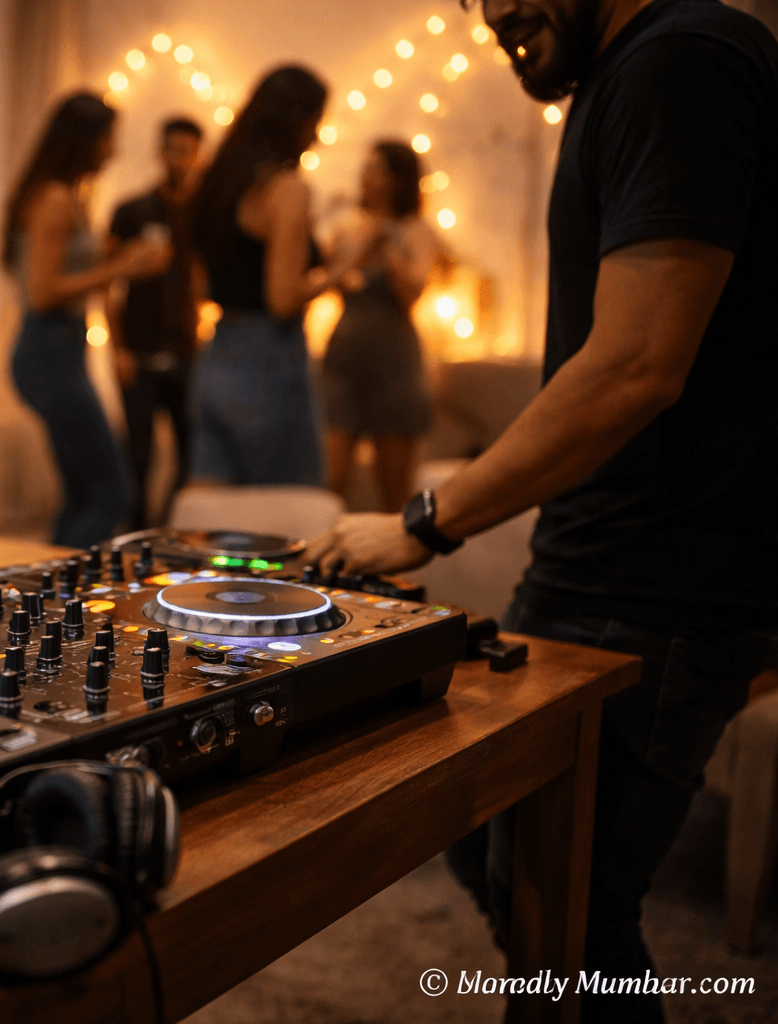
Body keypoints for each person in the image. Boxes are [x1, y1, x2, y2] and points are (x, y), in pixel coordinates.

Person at [306, 1, 778, 1020]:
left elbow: (635, 366)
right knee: (501, 851)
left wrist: (425, 520)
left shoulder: (681, 59)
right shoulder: (626, 76)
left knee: (570, 916)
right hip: (594, 558)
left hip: (660, 582)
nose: (497, 12)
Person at [2, 92, 171, 549]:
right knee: (112, 493)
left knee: (81, 493)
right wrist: (120, 270)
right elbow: (42, 292)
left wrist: (119, 257)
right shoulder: (55, 199)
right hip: (49, 349)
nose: (112, 151)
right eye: (108, 140)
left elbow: (68, 269)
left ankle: (48, 595)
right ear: (84, 141)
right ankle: (56, 590)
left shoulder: (65, 196)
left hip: (59, 348)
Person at [189, 66, 358, 486]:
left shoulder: (218, 182)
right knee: (288, 515)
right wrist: (341, 268)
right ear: (296, 121)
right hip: (268, 357)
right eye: (315, 122)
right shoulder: (287, 189)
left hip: (218, 350)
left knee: (213, 522)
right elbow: (282, 298)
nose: (317, 136)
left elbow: (199, 280)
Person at [321, 141, 438, 511]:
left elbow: (410, 295)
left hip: (394, 364)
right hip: (343, 360)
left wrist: (388, 248)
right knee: (330, 481)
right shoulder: (346, 224)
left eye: (376, 169)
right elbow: (333, 283)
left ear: (397, 179)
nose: (365, 177)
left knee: (394, 489)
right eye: (366, 168)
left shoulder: (417, 230)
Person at [106, 116, 204, 527]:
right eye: (174, 149)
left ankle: (167, 529)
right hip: (140, 351)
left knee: (192, 454)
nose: (180, 159)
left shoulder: (202, 215)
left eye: (188, 150)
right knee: (138, 456)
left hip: (187, 351)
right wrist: (118, 347)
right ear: (160, 151)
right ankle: (135, 536)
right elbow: (109, 282)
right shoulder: (132, 211)